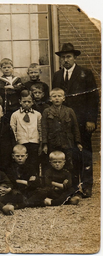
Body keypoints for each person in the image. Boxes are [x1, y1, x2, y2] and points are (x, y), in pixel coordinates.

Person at [52, 43, 99, 198]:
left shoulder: (85, 73)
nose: (66, 60)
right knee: (69, 154)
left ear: (74, 57)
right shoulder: (57, 76)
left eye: (69, 57)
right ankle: (72, 185)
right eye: (63, 57)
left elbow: (93, 99)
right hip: (65, 123)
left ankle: (86, 185)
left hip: (83, 122)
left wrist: (91, 120)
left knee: (84, 153)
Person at [41, 88, 82, 191]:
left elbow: (75, 127)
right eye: (54, 96)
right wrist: (45, 144)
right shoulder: (47, 111)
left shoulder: (69, 111)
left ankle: (73, 188)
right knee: (52, 164)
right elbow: (44, 128)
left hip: (67, 142)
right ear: (50, 99)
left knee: (69, 164)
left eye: (59, 96)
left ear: (64, 98)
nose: (57, 98)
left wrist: (78, 142)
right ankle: (51, 188)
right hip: (52, 142)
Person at [10, 90, 42, 175]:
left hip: (34, 142)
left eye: (29, 101)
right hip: (21, 143)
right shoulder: (15, 115)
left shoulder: (37, 115)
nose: (26, 104)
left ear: (33, 102)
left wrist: (40, 142)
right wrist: (16, 142)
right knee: (23, 163)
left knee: (34, 162)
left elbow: (40, 129)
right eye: (24, 101)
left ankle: (34, 180)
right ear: (20, 101)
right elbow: (13, 129)